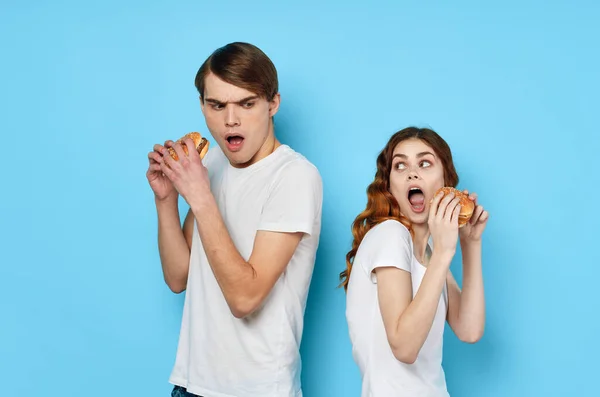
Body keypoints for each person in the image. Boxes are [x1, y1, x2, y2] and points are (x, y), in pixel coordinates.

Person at [145, 42, 323, 397]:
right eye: (217, 105)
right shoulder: (211, 165)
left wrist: (198, 194)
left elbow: (244, 299)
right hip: (191, 384)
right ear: (202, 106)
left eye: (246, 103)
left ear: (273, 103)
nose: (230, 120)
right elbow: (179, 277)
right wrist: (166, 200)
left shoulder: (294, 176)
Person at [341, 127, 488, 397]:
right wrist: (445, 252)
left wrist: (471, 243)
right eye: (400, 165)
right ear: (389, 185)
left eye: (425, 163)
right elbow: (404, 348)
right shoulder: (389, 235)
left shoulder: (430, 251)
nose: (412, 172)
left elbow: (469, 329)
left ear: (446, 182)